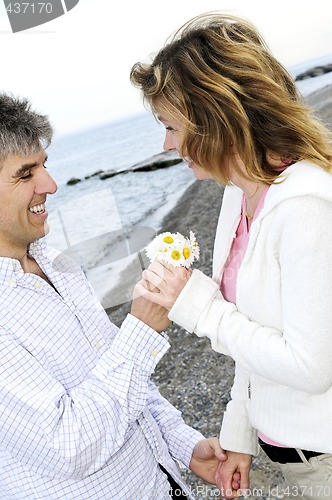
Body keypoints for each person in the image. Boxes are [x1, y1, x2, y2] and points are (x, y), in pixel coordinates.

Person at [130, 11, 332, 499]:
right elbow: (251, 333)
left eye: (172, 126)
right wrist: (240, 435)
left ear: (214, 120)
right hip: (292, 457)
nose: (167, 144)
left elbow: (312, 366)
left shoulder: (306, 207)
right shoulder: (237, 195)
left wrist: (199, 307)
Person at [0, 92, 227, 499]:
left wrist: (182, 443)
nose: (50, 185)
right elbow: (67, 445)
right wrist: (140, 330)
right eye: (25, 173)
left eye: (45, 166)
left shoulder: (58, 264)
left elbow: (120, 379)